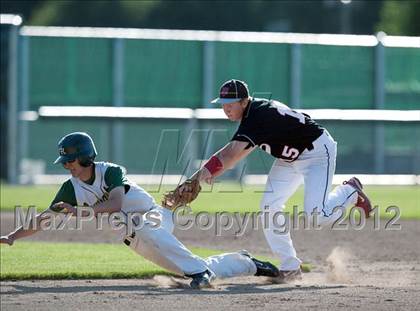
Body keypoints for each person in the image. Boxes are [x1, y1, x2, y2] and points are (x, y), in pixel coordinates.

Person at [0, 132, 280, 289]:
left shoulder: (108, 171)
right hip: (134, 240)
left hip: (154, 216)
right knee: (190, 266)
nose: (67, 165)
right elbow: (45, 219)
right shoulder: (70, 188)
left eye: (70, 160)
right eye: (64, 161)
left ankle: (199, 274)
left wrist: (80, 213)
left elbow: (117, 203)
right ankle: (247, 263)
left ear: (85, 156)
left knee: (150, 229)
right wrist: (13, 235)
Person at [175, 79, 372, 283]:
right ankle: (290, 268)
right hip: (289, 158)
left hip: (317, 153)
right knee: (269, 207)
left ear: (244, 101)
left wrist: (197, 178)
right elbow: (235, 153)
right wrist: (205, 175)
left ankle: (350, 191)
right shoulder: (253, 116)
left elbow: (231, 155)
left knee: (317, 215)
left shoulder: (256, 115)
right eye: (223, 104)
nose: (226, 109)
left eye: (230, 103)